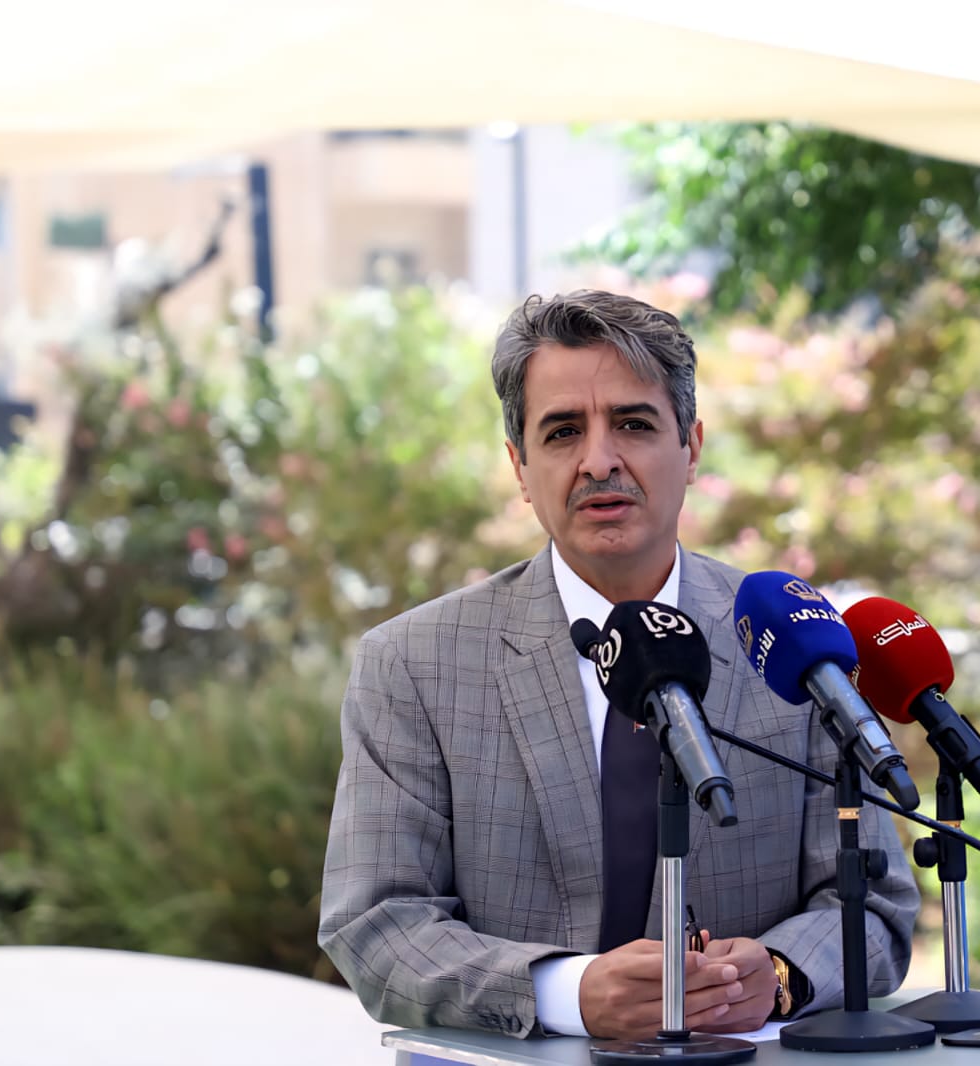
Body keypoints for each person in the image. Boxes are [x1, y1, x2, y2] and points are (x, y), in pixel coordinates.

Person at [318, 290, 918, 1040]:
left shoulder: (791, 641)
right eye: (563, 431)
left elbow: (876, 906)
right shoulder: (414, 664)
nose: (600, 461)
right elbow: (377, 922)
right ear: (519, 466)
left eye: (633, 424)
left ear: (691, 447)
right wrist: (567, 993)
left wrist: (778, 976)